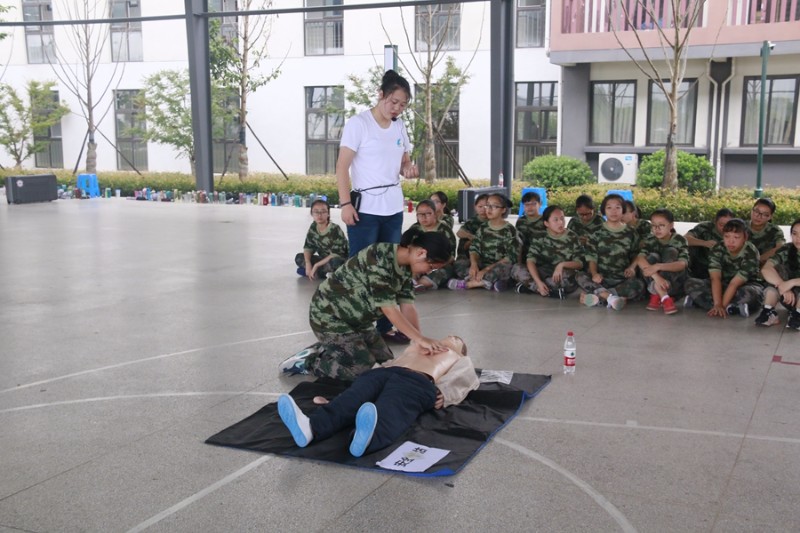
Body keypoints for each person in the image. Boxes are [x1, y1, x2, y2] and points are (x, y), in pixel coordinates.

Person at [284, 228, 452, 381]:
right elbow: (389, 309)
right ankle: (309, 362)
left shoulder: (407, 268)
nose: (429, 272)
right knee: (364, 371)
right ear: (421, 253)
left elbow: (407, 305)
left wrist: (417, 342)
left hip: (359, 323)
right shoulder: (379, 256)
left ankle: (330, 348)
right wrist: (420, 339)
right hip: (329, 318)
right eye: (431, 267)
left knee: (387, 363)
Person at [277, 335, 478, 458]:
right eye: (450, 335)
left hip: (418, 382)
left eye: (457, 340)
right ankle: (311, 428)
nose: (452, 337)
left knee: (393, 408)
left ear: (461, 349)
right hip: (382, 374)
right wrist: (338, 396)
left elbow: (466, 377)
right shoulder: (420, 344)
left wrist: (446, 393)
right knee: (352, 398)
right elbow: (392, 361)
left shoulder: (459, 358)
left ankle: (367, 438)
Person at [335, 69, 418, 343]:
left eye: (403, 105)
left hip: (392, 208)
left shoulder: (399, 126)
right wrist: (346, 203)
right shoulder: (359, 124)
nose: (397, 108)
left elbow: (404, 161)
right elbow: (342, 167)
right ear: (380, 95)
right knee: (361, 269)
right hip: (365, 210)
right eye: (393, 101)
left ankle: (385, 327)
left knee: (389, 268)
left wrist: (408, 168)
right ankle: (356, 325)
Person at [683, 218, 764, 318]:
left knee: (753, 294)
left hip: (744, 285)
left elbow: (734, 283)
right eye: (727, 236)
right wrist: (718, 305)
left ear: (745, 237)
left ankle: (703, 303)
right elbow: (715, 278)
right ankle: (731, 308)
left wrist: (721, 305)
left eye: (736, 237)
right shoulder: (718, 248)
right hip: (722, 284)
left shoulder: (751, 252)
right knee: (690, 283)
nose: (731, 241)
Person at [575, 193, 644, 310]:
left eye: (618, 207)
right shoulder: (596, 232)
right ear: (603, 211)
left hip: (621, 279)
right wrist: (594, 273)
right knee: (579, 276)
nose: (614, 211)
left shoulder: (631, 233)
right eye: (609, 208)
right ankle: (611, 298)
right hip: (601, 279)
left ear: (623, 210)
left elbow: (637, 254)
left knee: (639, 284)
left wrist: (632, 268)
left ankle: (597, 297)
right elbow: (592, 257)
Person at [448, 193, 517, 292]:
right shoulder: (483, 228)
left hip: (496, 266)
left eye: (494, 206)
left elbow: (509, 258)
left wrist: (486, 270)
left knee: (507, 268)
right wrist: (474, 264)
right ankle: (486, 282)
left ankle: (469, 284)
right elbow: (474, 248)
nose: (488, 209)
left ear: (503, 210)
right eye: (487, 205)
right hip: (482, 264)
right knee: (459, 265)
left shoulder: (510, 230)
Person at [512, 205, 583, 298]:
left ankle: (529, 287)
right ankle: (545, 290)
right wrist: (538, 282)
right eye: (555, 220)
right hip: (541, 272)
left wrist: (561, 265)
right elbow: (530, 260)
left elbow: (579, 263)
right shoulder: (540, 236)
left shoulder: (572, 237)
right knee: (516, 269)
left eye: (562, 218)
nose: (560, 222)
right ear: (546, 223)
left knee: (572, 278)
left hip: (560, 275)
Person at [635, 208, 689, 315]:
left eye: (661, 225)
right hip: (656, 279)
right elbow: (639, 259)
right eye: (654, 225)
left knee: (671, 251)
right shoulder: (650, 240)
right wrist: (656, 277)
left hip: (674, 282)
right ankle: (663, 296)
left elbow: (682, 264)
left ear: (671, 225)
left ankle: (658, 294)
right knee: (650, 257)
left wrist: (658, 266)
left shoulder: (679, 240)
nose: (657, 229)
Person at [754, 218, 800, 329]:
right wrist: (782, 285)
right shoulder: (787, 249)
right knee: (772, 284)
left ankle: (798, 315)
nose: (798, 238)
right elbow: (766, 269)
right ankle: (768, 311)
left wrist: (791, 283)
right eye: (794, 233)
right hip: (790, 297)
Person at [294, 199, 348, 280]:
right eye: (316, 212)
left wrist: (316, 265)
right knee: (299, 258)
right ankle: (318, 272)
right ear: (311, 213)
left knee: (336, 262)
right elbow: (308, 247)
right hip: (323, 259)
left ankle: (317, 272)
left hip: (338, 259)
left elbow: (336, 254)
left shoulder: (334, 229)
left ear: (328, 214)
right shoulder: (313, 227)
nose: (319, 215)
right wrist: (308, 263)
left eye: (323, 212)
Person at [409, 199, 456, 291]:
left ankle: (419, 284)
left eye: (428, 213)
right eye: (419, 214)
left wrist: (433, 266)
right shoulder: (414, 229)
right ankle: (412, 282)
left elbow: (451, 257)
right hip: (418, 264)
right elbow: (408, 251)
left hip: (438, 265)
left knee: (446, 270)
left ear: (435, 214)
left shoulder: (445, 230)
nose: (423, 217)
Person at [684, 208, 735, 279]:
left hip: (723, 270)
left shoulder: (737, 232)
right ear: (715, 222)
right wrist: (705, 243)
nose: (725, 228)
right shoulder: (705, 227)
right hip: (700, 266)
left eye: (728, 225)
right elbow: (685, 239)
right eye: (721, 225)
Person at [746, 198, 785, 265]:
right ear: (751, 210)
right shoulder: (740, 227)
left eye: (764, 214)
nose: (759, 216)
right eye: (756, 211)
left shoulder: (775, 231)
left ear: (770, 217)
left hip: (765, 266)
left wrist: (758, 260)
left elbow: (780, 247)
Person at [515, 190, 545, 264]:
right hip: (523, 258)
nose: (530, 207)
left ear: (540, 204)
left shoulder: (545, 221)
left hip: (541, 259)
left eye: (533, 204)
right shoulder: (520, 221)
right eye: (526, 204)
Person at [455, 193, 488, 259]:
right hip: (466, 256)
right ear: (475, 207)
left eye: (486, 207)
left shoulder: (494, 222)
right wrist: (472, 237)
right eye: (480, 206)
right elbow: (459, 233)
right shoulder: (471, 221)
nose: (483, 210)